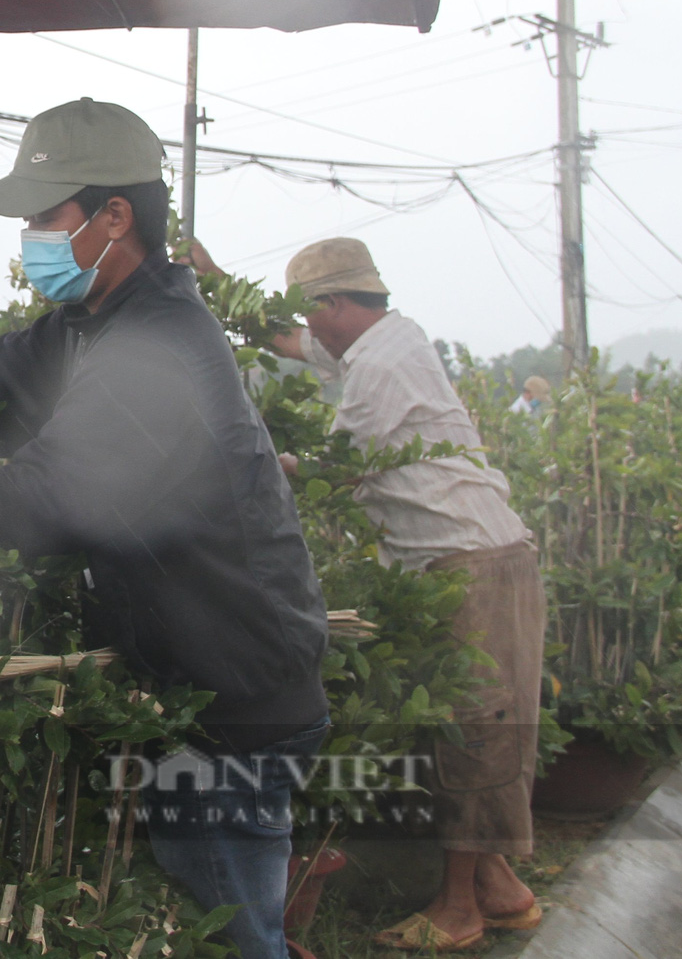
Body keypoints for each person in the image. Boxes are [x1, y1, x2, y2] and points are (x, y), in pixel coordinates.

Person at [0, 98, 330, 959]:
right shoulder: (102, 317)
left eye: (45, 214)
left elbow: (36, 503)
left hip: (237, 700)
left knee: (230, 925)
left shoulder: (153, 346)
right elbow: (0, 366)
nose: (30, 236)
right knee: (218, 911)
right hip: (215, 678)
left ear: (115, 214)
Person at [195, 236, 545, 952]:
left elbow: (333, 467)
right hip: (455, 564)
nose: (311, 329)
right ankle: (501, 888)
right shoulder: (380, 341)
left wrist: (239, 459)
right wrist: (210, 276)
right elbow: (290, 342)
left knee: (474, 736)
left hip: (473, 564)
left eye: (313, 312)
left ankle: (458, 910)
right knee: (461, 726)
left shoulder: (384, 364)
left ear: (336, 304)